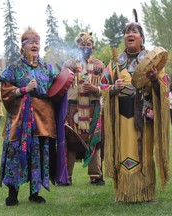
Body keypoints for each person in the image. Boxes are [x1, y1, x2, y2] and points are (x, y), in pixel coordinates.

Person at [0, 27, 74, 206]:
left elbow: (58, 88)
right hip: (20, 120)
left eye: (37, 42)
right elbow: (6, 92)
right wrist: (24, 89)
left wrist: (68, 73)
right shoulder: (14, 68)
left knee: (39, 153)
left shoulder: (47, 68)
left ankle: (35, 192)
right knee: (16, 152)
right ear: (22, 47)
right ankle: (12, 194)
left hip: (43, 119)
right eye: (30, 42)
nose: (34, 44)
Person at [101, 22, 170, 202]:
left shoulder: (151, 60)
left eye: (134, 31)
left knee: (145, 153)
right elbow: (103, 85)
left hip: (144, 114)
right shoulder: (116, 62)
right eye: (127, 32)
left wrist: (155, 80)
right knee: (125, 151)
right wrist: (113, 88)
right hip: (123, 116)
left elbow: (164, 86)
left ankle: (146, 193)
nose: (130, 34)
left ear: (142, 37)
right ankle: (125, 192)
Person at [63, 32, 105, 186]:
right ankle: (66, 176)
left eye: (88, 44)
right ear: (77, 45)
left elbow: (106, 87)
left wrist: (95, 89)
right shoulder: (69, 65)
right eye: (82, 44)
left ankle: (96, 175)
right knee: (71, 141)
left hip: (93, 107)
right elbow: (61, 86)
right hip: (72, 107)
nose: (85, 47)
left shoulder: (100, 65)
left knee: (95, 141)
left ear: (93, 47)